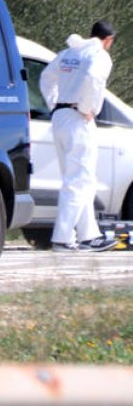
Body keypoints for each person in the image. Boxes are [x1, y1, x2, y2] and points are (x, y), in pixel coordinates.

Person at [40, 20, 119, 253]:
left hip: (61, 117)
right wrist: (87, 108)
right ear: (108, 40)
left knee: (82, 180)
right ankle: (63, 238)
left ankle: (88, 235)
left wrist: (55, 104)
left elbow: (46, 77)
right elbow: (93, 79)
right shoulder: (100, 55)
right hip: (78, 119)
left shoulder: (69, 52)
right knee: (78, 181)